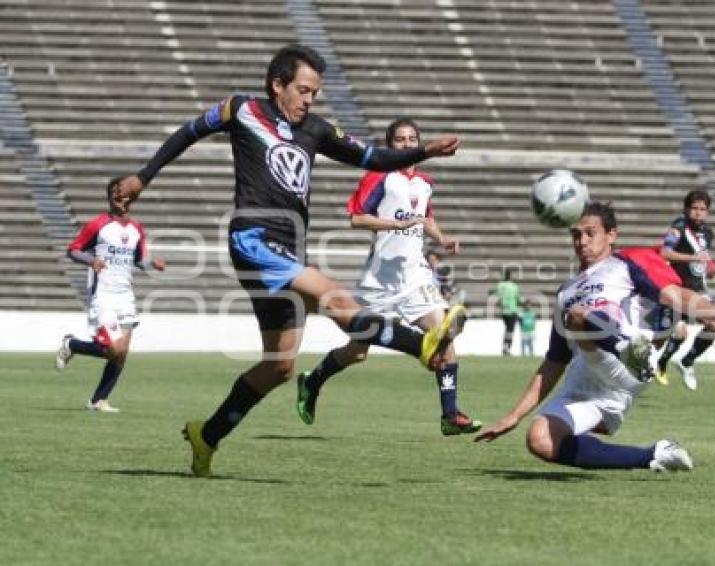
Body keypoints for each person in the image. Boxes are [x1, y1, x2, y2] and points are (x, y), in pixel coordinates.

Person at [115, 45, 465, 477]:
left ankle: (207, 434)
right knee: (336, 299)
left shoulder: (315, 130)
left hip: (288, 249)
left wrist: (423, 151)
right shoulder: (240, 109)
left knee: (279, 366)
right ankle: (420, 344)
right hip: (254, 240)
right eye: (303, 90)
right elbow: (187, 133)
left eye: (315, 93)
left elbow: (372, 157)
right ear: (277, 85)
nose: (309, 100)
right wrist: (143, 176)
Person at [474, 202, 715, 473]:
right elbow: (554, 362)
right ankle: (656, 455)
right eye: (576, 235)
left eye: (590, 233)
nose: (582, 241)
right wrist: (513, 417)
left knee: (580, 315)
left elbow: (674, 295)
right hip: (586, 381)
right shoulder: (566, 291)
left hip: (628, 365)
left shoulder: (628, 261)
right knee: (540, 440)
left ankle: (627, 348)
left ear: (611, 235)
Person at [294, 118, 481, 436]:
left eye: (412, 139)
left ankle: (450, 415)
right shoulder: (381, 175)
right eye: (400, 140)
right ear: (390, 145)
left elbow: (425, 217)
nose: (407, 145)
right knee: (358, 351)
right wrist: (391, 225)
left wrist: (442, 238)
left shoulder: (424, 182)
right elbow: (357, 218)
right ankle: (312, 382)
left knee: (444, 336)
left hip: (415, 276)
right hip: (379, 279)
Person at [55, 176, 166, 412]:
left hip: (125, 295)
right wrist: (91, 260)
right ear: (109, 197)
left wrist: (151, 264)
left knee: (121, 353)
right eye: (114, 191)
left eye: (122, 191)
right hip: (104, 294)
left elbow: (138, 260)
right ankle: (72, 344)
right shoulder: (98, 225)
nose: (119, 194)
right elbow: (73, 250)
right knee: (112, 349)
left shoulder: (137, 229)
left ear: (131, 197)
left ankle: (98, 400)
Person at [653, 189, 715, 390]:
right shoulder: (678, 229)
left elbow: (701, 257)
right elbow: (665, 252)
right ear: (686, 209)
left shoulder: (708, 233)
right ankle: (660, 362)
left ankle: (687, 361)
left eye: (702, 209)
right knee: (678, 333)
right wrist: (693, 259)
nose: (698, 212)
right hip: (677, 290)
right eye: (694, 208)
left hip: (698, 290)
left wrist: (708, 268)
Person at [491, 267, 521, 355]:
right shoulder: (514, 286)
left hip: (504, 311)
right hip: (512, 311)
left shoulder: (500, 285)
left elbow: (497, 296)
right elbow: (518, 299)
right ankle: (507, 348)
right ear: (511, 276)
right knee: (510, 330)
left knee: (507, 329)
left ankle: (505, 347)